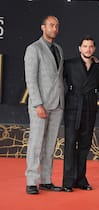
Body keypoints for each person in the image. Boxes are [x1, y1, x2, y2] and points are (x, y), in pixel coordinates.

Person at [24, 15, 64, 194]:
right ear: (43, 27)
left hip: (57, 104)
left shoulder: (59, 49)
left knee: (50, 145)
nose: (54, 28)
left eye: (56, 26)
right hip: (40, 104)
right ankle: (31, 181)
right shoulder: (34, 49)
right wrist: (38, 104)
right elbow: (31, 80)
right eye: (51, 25)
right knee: (36, 143)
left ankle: (46, 179)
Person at [62, 36, 99, 192]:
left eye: (91, 46)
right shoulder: (69, 64)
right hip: (73, 107)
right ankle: (67, 182)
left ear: (94, 49)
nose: (88, 49)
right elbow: (59, 83)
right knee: (70, 144)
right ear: (79, 48)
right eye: (85, 46)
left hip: (90, 108)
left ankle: (81, 179)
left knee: (85, 145)